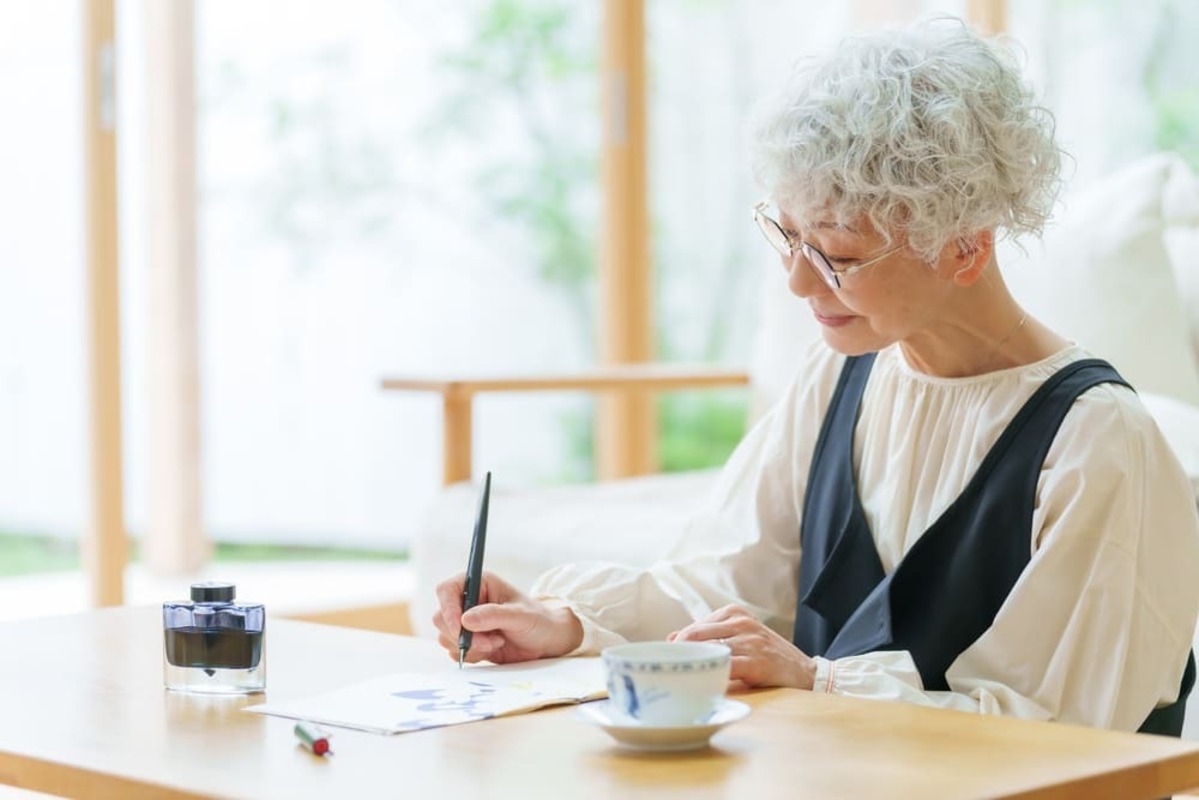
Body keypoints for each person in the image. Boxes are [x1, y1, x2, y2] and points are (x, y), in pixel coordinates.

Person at [432, 16, 1199, 734]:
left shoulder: (1097, 442)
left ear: (964, 246)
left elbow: (1057, 726)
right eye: (788, 236)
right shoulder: (840, 376)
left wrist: (817, 681)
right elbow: (728, 577)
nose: (798, 282)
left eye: (837, 254)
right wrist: (564, 620)